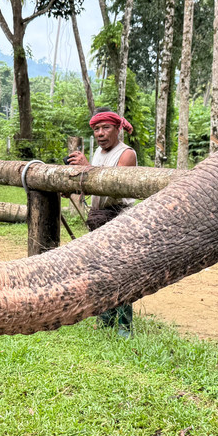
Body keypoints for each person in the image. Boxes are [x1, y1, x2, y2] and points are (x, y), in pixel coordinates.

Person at [65, 109, 138, 337]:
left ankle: (124, 325)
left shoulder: (127, 154)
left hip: (120, 218)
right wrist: (72, 186)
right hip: (100, 218)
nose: (100, 133)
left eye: (106, 128)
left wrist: (88, 168)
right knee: (100, 271)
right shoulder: (97, 153)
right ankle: (106, 319)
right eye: (96, 129)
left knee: (121, 271)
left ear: (117, 130)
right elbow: (93, 184)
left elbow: (112, 184)